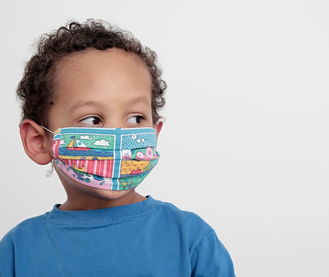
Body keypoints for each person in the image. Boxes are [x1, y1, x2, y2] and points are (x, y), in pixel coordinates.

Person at [0, 19, 235, 277]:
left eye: (135, 118)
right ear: (38, 141)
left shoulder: (191, 239)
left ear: (154, 133)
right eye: (92, 119)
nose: (118, 135)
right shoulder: (17, 250)